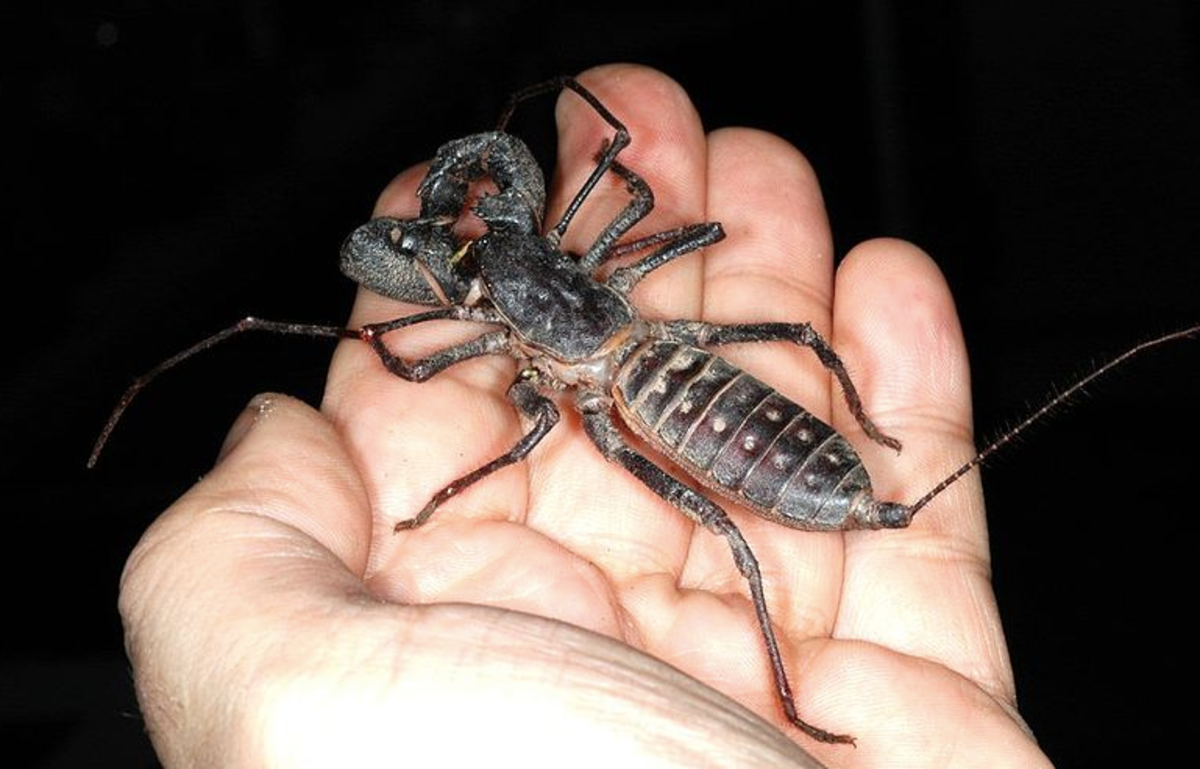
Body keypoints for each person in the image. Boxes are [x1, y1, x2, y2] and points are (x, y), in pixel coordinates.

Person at [117, 64, 1051, 767]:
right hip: (654, 364)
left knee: (741, 494)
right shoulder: (573, 255)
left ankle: (803, 685)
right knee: (779, 393)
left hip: (643, 385)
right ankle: (798, 682)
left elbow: (465, 391)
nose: (484, 235)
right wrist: (599, 150)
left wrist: (435, 464)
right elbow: (636, 204)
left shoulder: (494, 317)